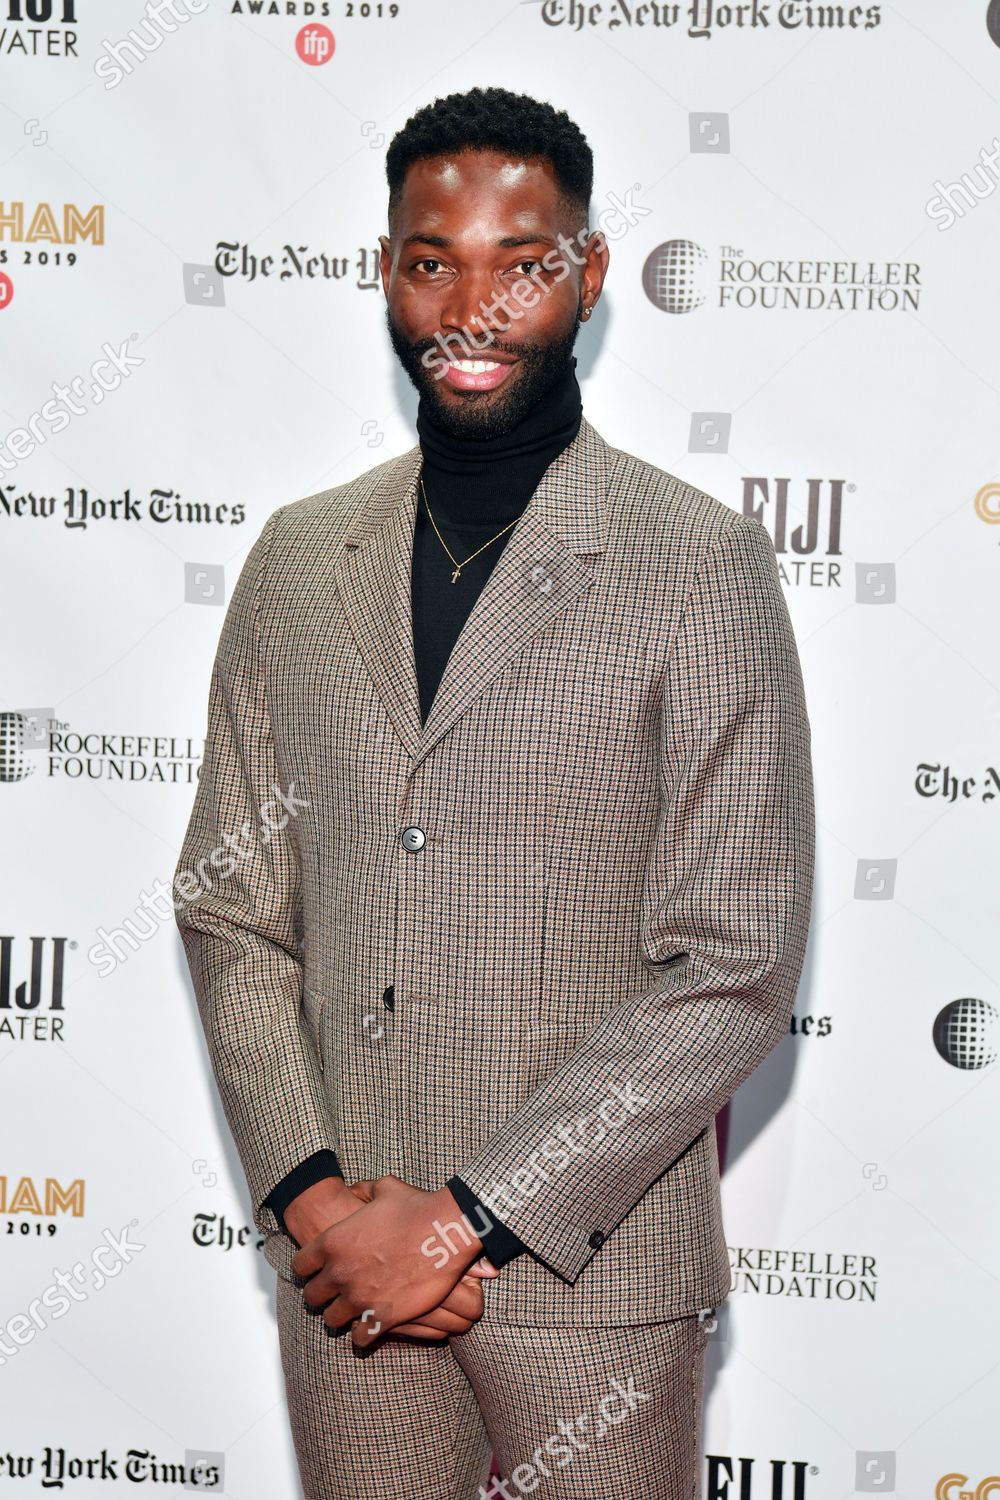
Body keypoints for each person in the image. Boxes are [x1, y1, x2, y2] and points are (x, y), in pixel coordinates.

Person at [174, 84, 815, 1500]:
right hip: (344, 1276)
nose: (471, 306)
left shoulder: (694, 561)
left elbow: (734, 959)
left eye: (521, 261)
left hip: (594, 1268)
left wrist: (464, 1221)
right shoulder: (299, 558)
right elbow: (230, 906)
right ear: (386, 273)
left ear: (587, 276)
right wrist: (312, 1200)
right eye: (430, 260)